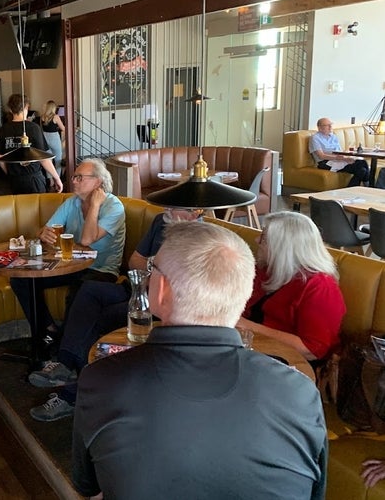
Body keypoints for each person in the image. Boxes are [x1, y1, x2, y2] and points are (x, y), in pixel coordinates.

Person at [72, 221, 328, 499]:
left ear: (161, 291)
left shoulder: (100, 380)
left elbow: (89, 485)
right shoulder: (301, 393)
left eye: (152, 269)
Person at [28, 209, 201, 422]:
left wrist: (154, 274)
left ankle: (71, 396)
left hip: (156, 305)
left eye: (175, 206)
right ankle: (65, 365)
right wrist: (152, 272)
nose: (168, 210)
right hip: (136, 287)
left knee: (103, 318)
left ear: (195, 212)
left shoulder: (202, 236)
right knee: (89, 290)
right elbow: (135, 260)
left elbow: (184, 288)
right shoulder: (161, 221)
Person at [10, 158, 125, 363]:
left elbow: (87, 240)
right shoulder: (71, 202)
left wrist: (95, 205)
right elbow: (46, 229)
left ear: (98, 182)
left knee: (81, 290)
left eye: (80, 177)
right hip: (70, 265)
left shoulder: (113, 206)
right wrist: (44, 234)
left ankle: (65, 352)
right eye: (74, 177)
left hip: (101, 269)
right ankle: (49, 330)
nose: (74, 181)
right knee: (21, 279)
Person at [236, 210, 345, 364]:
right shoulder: (266, 269)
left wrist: (248, 326)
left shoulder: (320, 286)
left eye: (264, 238)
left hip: (293, 363)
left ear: (283, 247)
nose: (256, 239)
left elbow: (312, 350)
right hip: (254, 350)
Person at [0, 93, 63, 194]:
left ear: (10, 109)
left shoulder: (3, 129)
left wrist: (10, 173)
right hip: (34, 179)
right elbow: (43, 159)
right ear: (26, 107)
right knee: (37, 208)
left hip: (15, 180)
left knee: (19, 208)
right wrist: (57, 178)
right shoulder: (34, 128)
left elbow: (0, 158)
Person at [309, 117, 369, 187]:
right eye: (327, 125)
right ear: (319, 128)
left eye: (331, 124)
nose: (330, 127)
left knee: (362, 168)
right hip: (325, 162)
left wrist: (347, 157)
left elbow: (340, 151)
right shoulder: (315, 138)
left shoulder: (333, 136)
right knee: (362, 166)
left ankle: (351, 189)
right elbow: (321, 156)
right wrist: (342, 159)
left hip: (339, 160)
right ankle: (368, 186)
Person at [39, 100, 66, 176]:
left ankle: (51, 181)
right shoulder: (56, 117)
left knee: (48, 160)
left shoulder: (42, 117)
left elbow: (41, 129)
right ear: (53, 108)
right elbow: (63, 129)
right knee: (58, 159)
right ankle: (57, 178)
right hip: (54, 138)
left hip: (45, 139)